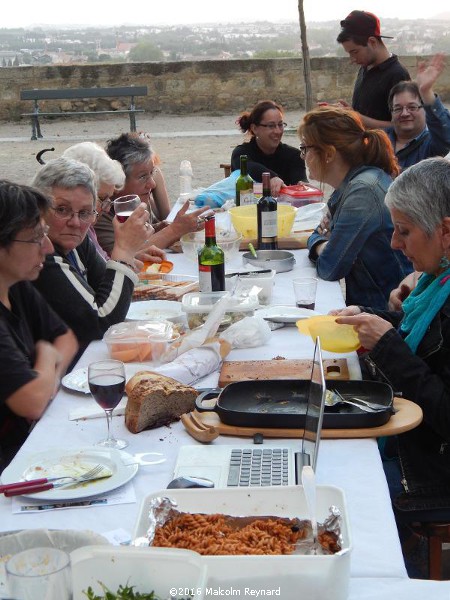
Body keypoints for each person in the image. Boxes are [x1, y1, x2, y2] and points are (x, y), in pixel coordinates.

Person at [332, 157, 450, 577]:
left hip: (433, 471)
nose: (396, 245)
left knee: (341, 486)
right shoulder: (440, 278)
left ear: (446, 231)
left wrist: (387, 345)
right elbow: (430, 346)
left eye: (404, 231)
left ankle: (394, 573)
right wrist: (371, 317)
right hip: (422, 450)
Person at [31, 157, 150, 353]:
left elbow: (107, 289)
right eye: (62, 209)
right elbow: (102, 320)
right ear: (38, 209)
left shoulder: (77, 240)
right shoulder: (41, 257)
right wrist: (124, 252)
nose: (76, 222)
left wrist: (124, 256)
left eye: (85, 212)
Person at [0, 180, 78, 473]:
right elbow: (30, 402)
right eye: (35, 238)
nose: (47, 248)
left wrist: (47, 382)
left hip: (26, 449)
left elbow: (66, 338)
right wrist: (46, 356)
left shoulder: (15, 285)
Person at [301, 106, 413, 309]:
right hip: (375, 306)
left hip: (389, 314)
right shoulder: (354, 184)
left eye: (305, 148)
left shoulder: (363, 192)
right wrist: (325, 242)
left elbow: (329, 267)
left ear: (328, 153)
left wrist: (319, 243)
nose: (304, 157)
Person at [95, 133, 208, 255]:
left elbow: (142, 237)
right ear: (118, 180)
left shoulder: (139, 200)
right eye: (143, 176)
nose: (152, 184)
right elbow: (123, 255)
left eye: (151, 173)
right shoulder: (100, 213)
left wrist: (159, 228)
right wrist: (174, 230)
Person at [336, 10, 410, 128]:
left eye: (355, 52)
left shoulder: (398, 75)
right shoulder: (365, 66)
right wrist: (346, 112)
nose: (352, 59)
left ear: (372, 42)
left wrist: (357, 118)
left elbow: (404, 126)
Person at [231, 99, 307, 197]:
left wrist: (304, 185)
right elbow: (249, 167)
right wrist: (271, 177)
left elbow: (300, 180)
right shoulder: (241, 153)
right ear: (254, 128)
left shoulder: (294, 155)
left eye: (280, 125)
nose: (278, 131)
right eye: (271, 126)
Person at [386, 53, 450, 170]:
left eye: (412, 107)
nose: (405, 113)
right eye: (398, 108)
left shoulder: (431, 146)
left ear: (424, 109)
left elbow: (445, 136)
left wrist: (426, 93)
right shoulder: (379, 141)